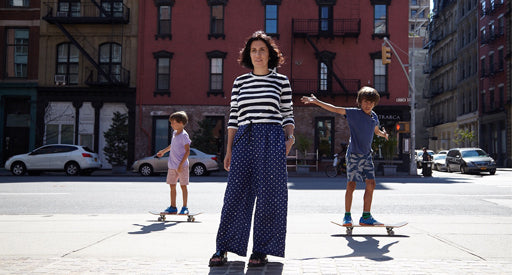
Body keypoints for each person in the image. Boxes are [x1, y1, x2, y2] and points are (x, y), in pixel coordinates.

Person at [208, 31, 295, 268]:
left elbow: (288, 114)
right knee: (235, 195)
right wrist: (228, 150)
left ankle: (260, 250)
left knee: (270, 197)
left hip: (272, 137)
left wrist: (289, 139)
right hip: (244, 138)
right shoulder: (240, 82)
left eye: (262, 50)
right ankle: (223, 247)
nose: (257, 54)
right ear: (249, 54)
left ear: (270, 55)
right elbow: (234, 118)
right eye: (254, 50)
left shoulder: (281, 82)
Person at [301, 87, 389, 226]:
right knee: (351, 185)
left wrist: (383, 134)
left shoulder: (374, 116)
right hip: (354, 154)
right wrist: (317, 101)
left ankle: (366, 216)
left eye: (371, 103)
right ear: (360, 102)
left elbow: (376, 130)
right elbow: (335, 108)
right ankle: (347, 216)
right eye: (366, 102)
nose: (368, 105)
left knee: (371, 184)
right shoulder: (354, 113)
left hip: (367, 155)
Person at [156, 111, 191, 215]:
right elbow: (172, 146)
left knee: (183, 186)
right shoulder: (175, 134)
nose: (171, 125)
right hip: (172, 165)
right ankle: (173, 207)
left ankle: (185, 207)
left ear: (180, 123)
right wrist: (163, 151)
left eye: (173, 122)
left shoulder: (184, 135)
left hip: (182, 166)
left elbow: (187, 151)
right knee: (172, 186)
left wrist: (180, 165)